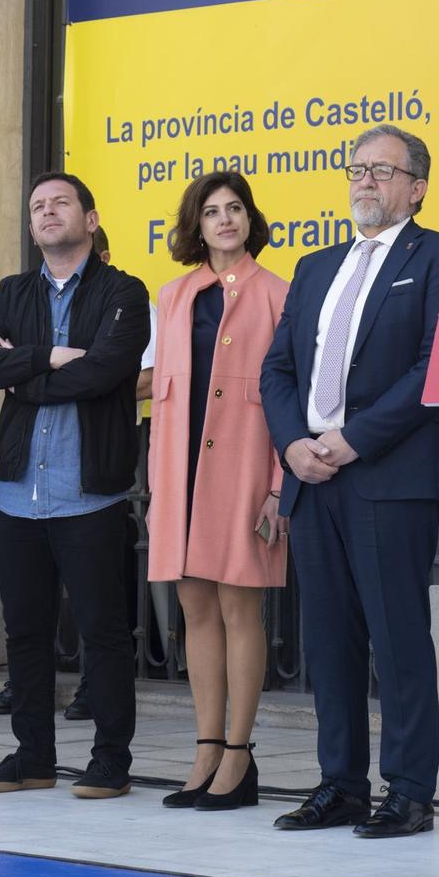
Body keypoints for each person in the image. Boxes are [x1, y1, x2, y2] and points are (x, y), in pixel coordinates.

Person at [259, 126, 439, 838]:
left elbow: (437, 366)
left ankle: (410, 793)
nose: (365, 183)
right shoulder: (317, 264)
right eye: (357, 170)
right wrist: (293, 444)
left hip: (389, 473)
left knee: (398, 636)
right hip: (312, 478)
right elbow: (278, 369)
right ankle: (340, 785)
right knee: (329, 640)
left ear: (416, 186)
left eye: (382, 171)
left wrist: (351, 440)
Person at [0, 172, 149, 800]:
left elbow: (105, 372)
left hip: (89, 492)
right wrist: (48, 356)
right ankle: (33, 757)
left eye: (60, 203)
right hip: (21, 494)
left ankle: (110, 760)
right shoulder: (12, 290)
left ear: (90, 219)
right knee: (24, 632)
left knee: (103, 633)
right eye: (37, 205)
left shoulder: (125, 291)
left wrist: (24, 373)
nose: (46, 212)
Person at [145, 171, 289, 811]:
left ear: (250, 219)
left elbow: (293, 399)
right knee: (193, 608)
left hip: (247, 469)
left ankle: (239, 752)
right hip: (180, 474)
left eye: (235, 209)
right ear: (195, 225)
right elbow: (159, 392)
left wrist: (278, 488)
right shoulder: (172, 296)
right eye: (211, 211)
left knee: (239, 608)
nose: (225, 220)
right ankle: (205, 746)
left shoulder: (280, 294)